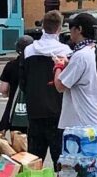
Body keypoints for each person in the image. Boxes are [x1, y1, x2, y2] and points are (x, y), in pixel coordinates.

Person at [16, 16, 67, 164]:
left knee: (34, 158)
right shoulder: (65, 51)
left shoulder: (29, 50)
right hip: (59, 110)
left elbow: (22, 81)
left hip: (35, 109)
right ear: (59, 29)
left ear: (43, 26)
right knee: (61, 158)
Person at [57, 11, 97, 146]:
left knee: (79, 164)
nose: (70, 34)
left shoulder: (81, 55)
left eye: (71, 30)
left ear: (79, 29)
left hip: (81, 124)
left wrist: (58, 66)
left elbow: (60, 86)